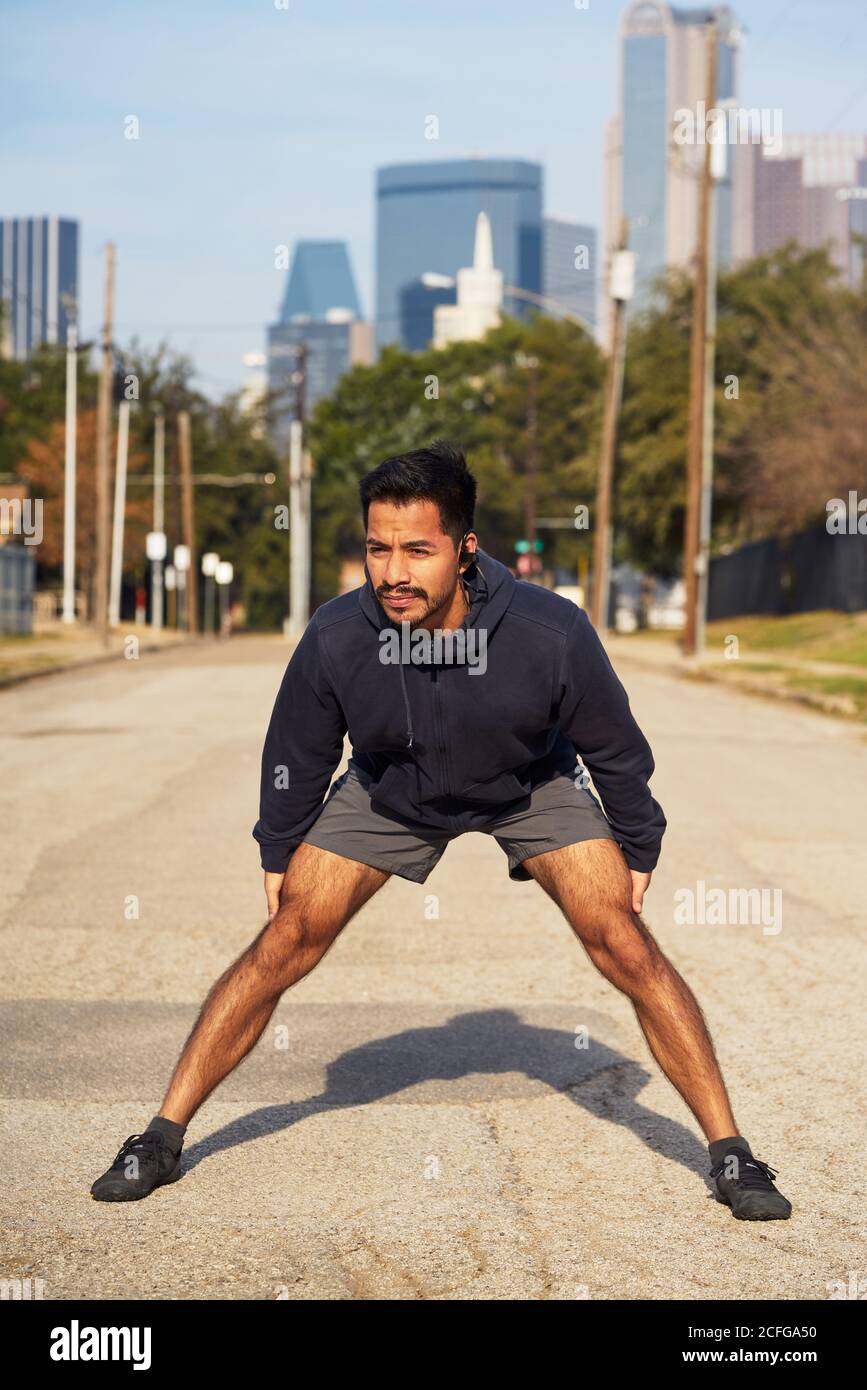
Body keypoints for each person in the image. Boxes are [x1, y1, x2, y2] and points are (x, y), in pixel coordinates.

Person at [91, 440, 791, 1221]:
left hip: (530, 785)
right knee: (286, 938)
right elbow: (296, 751)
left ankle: (730, 1152)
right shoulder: (337, 633)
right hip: (392, 793)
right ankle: (160, 1134)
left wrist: (638, 846)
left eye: (417, 550)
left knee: (623, 941)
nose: (393, 571)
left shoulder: (548, 630)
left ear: (464, 550)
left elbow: (616, 749)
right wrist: (277, 847)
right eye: (377, 548)